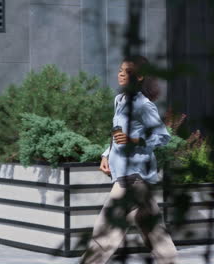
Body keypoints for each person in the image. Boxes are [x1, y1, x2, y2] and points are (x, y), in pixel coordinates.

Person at [79, 55, 178, 264]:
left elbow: (162, 136)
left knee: (105, 232)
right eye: (120, 70)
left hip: (133, 176)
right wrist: (106, 154)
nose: (121, 74)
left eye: (128, 71)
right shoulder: (120, 100)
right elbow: (118, 135)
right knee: (155, 234)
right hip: (129, 175)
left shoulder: (143, 105)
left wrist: (135, 139)